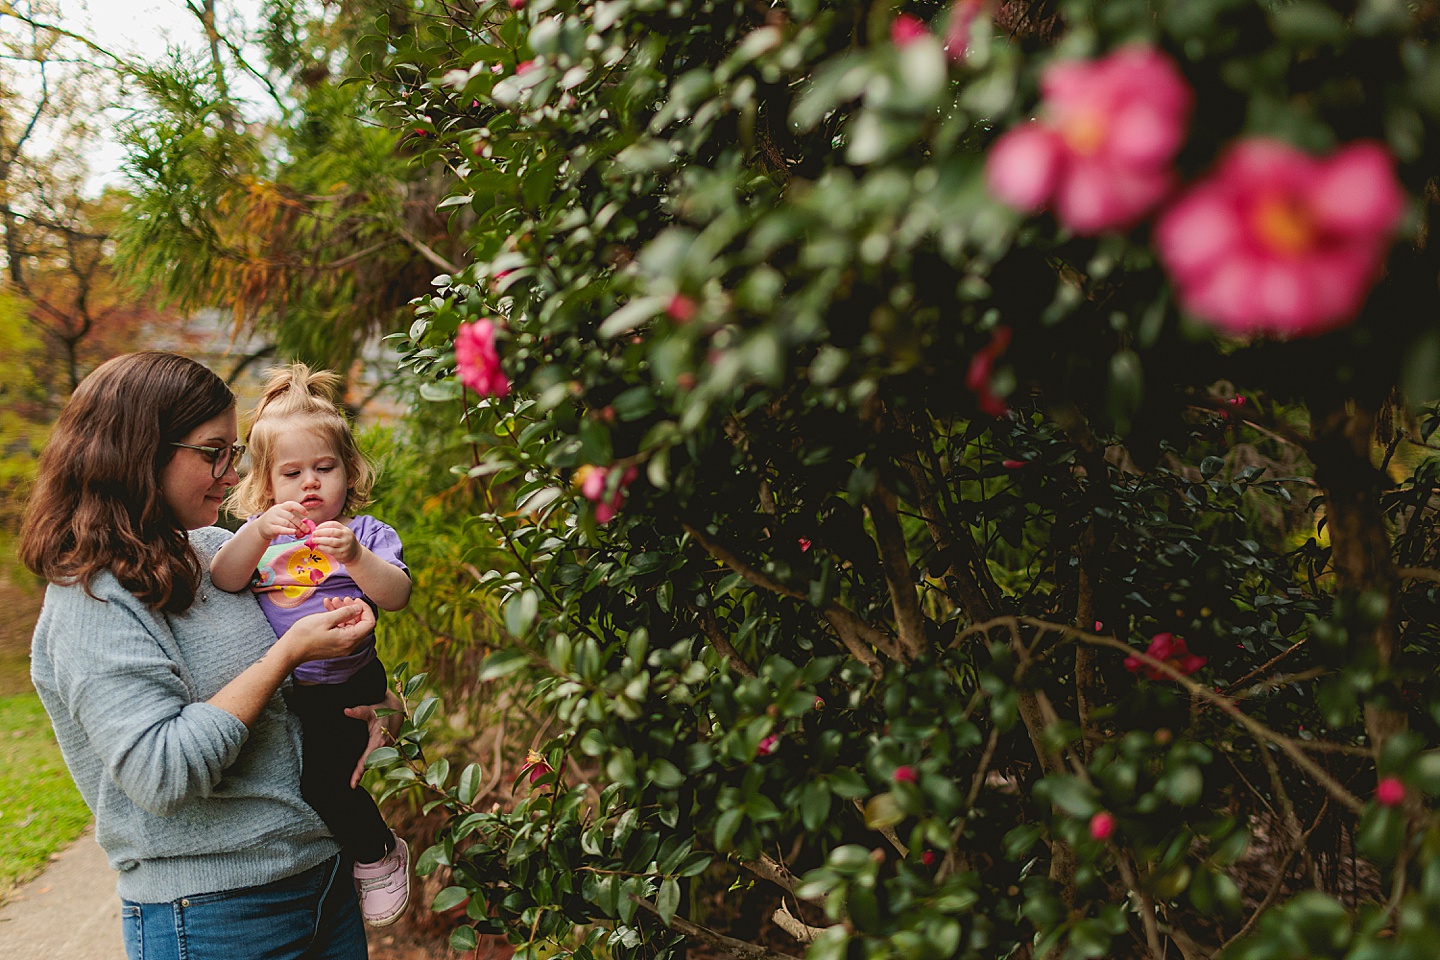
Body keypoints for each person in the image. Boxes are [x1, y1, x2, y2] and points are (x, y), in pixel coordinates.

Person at [19, 351, 389, 960]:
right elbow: (161, 776)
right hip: (217, 917)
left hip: (324, 882)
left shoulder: (221, 552)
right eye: (214, 452)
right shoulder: (91, 602)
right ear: (142, 453)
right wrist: (283, 658)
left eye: (234, 453)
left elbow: (312, 684)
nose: (231, 472)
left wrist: (378, 707)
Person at [210, 363, 413, 926]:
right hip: (286, 690)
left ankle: (377, 853)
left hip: (345, 686)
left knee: (327, 782)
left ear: (349, 472)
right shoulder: (260, 540)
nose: (310, 484)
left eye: (325, 468)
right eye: (291, 472)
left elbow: (396, 595)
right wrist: (255, 531)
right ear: (266, 485)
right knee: (294, 782)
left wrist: (353, 557)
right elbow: (224, 579)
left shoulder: (365, 534)